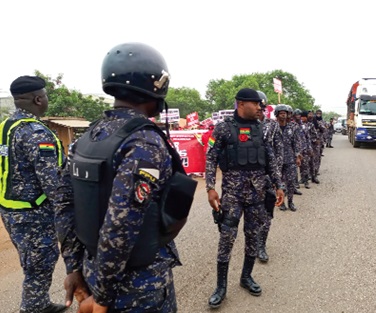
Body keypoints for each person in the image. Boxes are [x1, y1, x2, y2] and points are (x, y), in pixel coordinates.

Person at [54, 42, 186, 312]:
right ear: (156, 85)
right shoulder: (143, 141)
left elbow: (64, 206)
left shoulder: (89, 136)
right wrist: (103, 297)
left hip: (94, 273)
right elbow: (121, 223)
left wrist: (75, 268)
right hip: (136, 286)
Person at [205, 88, 284, 309]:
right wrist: (210, 188)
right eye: (256, 103)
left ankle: (246, 277)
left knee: (253, 237)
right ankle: (221, 287)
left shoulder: (261, 129)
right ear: (241, 103)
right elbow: (210, 158)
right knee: (226, 240)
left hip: (257, 194)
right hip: (232, 195)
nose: (260, 107)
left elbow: (270, 160)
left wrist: (279, 185)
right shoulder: (222, 129)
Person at [0, 76, 66, 313]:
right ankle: (32, 308)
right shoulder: (36, 133)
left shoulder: (5, 127)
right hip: (33, 213)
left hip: (9, 210)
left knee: (31, 263)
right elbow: (52, 183)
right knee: (40, 264)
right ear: (39, 99)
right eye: (45, 95)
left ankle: (40, 303)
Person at [256, 90, 283, 263]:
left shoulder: (272, 126)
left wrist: (276, 178)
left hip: (266, 177)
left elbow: (278, 150)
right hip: (243, 180)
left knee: (266, 213)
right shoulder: (235, 125)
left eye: (261, 106)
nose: (258, 110)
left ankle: (261, 245)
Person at [275, 104, 302, 211]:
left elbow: (296, 143)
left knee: (290, 182)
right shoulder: (273, 127)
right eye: (281, 113)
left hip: (290, 159)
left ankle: (290, 202)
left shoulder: (293, 127)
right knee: (279, 183)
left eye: (284, 113)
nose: (283, 115)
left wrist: (298, 156)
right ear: (277, 115)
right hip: (277, 161)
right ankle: (281, 202)